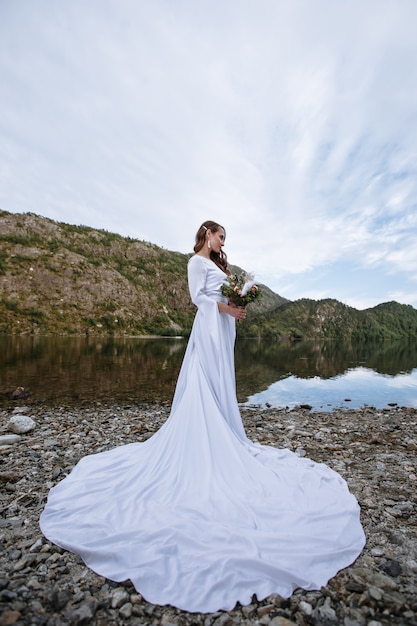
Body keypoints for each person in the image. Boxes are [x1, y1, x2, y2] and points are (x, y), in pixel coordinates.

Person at [40, 220, 365, 613]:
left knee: (220, 383)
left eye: (225, 238)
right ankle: (205, 433)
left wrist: (238, 302)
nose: (223, 241)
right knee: (204, 381)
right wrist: (228, 305)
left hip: (223, 327)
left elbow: (222, 295)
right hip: (210, 327)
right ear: (205, 235)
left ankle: (224, 429)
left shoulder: (218, 265)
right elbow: (198, 298)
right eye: (220, 236)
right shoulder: (195, 262)